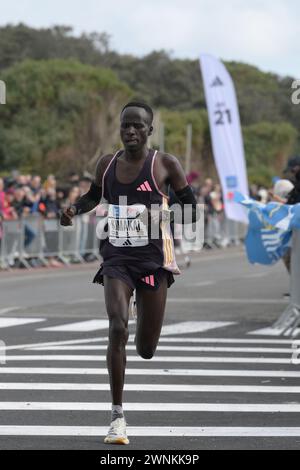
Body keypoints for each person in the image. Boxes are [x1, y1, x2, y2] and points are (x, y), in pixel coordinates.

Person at [60, 102, 199, 445]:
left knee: (146, 349)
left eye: (138, 126)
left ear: (150, 131)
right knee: (117, 326)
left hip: (153, 262)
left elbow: (191, 206)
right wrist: (74, 209)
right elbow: (95, 195)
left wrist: (164, 215)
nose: (131, 131)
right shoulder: (107, 164)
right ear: (120, 129)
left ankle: (141, 314)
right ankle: (117, 416)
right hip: (117, 258)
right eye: (126, 126)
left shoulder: (165, 164)